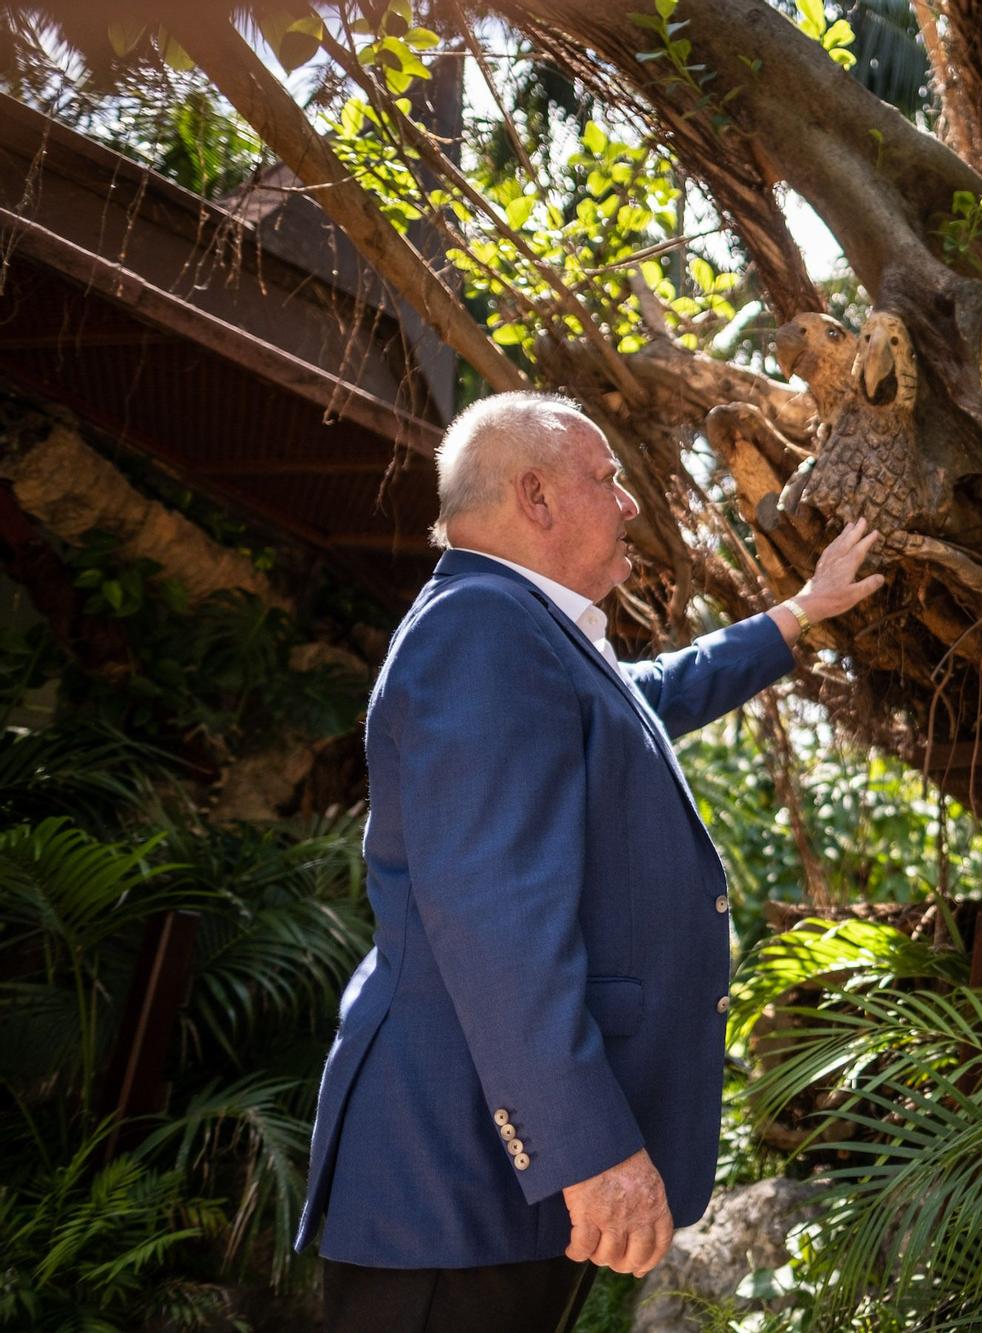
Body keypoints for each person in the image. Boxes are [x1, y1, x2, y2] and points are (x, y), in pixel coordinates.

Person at [293, 391, 884, 1332]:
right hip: (461, 1177)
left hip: (496, 1186)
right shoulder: (481, 631)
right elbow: (491, 917)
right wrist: (589, 1149)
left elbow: (648, 697)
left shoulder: (517, 627)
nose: (633, 503)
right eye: (607, 479)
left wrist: (796, 613)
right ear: (534, 496)